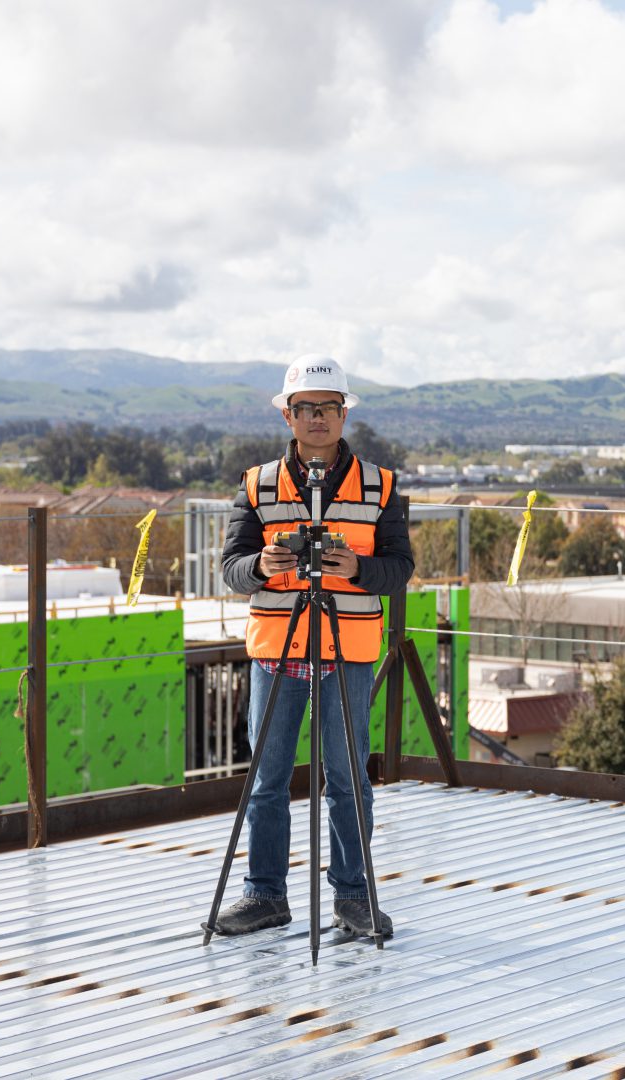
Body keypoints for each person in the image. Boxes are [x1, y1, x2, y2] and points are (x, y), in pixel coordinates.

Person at [210, 354, 415, 937]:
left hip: (347, 649)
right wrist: (264, 564)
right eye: (305, 408)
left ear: (344, 413)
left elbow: (399, 570)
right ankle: (264, 895)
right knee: (268, 778)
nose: (317, 418)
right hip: (278, 645)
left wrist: (356, 567)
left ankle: (354, 897)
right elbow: (230, 568)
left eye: (327, 408)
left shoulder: (381, 486)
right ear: (289, 416)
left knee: (348, 777)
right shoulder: (257, 485)